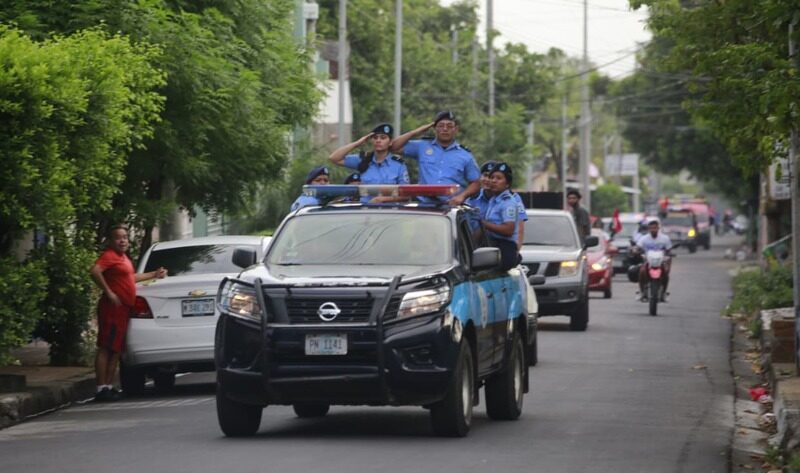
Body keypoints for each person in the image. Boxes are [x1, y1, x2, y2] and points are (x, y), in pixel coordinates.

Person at [89, 225, 166, 401]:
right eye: (118, 238)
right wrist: (109, 292)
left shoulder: (123, 258)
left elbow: (130, 278)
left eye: (125, 237)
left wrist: (154, 274)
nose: (123, 240)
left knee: (116, 349)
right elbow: (94, 271)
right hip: (112, 308)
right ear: (110, 241)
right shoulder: (109, 256)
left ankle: (108, 386)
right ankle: (101, 387)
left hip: (124, 308)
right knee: (106, 347)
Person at [390, 111, 481, 205]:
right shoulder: (422, 146)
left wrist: (462, 196)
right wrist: (416, 132)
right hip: (425, 205)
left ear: (456, 129)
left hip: (452, 206)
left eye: (449, 126)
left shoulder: (465, 155)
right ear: (434, 129)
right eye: (441, 126)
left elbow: (476, 182)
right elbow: (393, 147)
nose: (445, 129)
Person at [481, 162, 520, 271]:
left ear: (507, 184)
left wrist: (484, 224)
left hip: (504, 249)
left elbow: (509, 230)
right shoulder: (494, 200)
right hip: (492, 245)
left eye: (499, 178)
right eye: (492, 177)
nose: (493, 181)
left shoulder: (508, 203)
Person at [634, 218, 673, 302]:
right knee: (641, 272)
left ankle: (663, 293)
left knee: (665, 274)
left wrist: (669, 254)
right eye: (651, 228)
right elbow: (638, 247)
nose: (653, 230)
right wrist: (635, 250)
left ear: (658, 228)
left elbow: (669, 250)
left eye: (655, 228)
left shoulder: (664, 238)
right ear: (648, 229)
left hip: (661, 261)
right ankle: (642, 292)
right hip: (648, 261)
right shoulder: (644, 238)